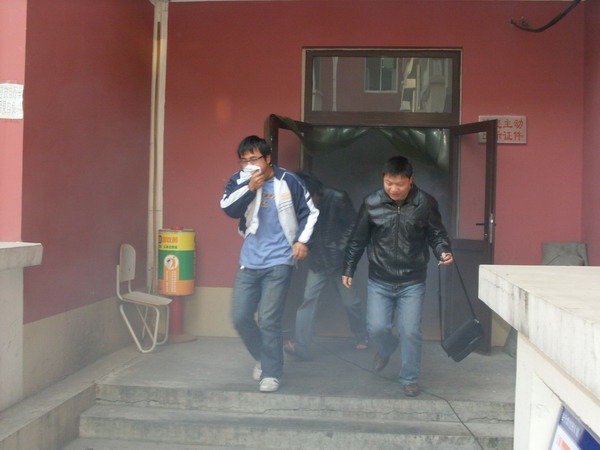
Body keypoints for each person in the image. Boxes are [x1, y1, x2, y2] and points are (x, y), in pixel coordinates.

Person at [342, 156, 453, 397]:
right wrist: (348, 268)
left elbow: (436, 234)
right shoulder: (371, 202)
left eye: (399, 184)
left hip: (412, 281)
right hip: (379, 279)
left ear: (410, 180)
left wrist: (443, 250)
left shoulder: (425, 203)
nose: (393, 189)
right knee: (376, 328)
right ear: (383, 179)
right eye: (388, 183)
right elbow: (357, 239)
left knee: (410, 331)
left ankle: (409, 378)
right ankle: (386, 348)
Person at [220, 135, 319, 393]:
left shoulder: (289, 181)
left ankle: (272, 373)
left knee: (268, 318)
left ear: (268, 158)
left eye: (254, 159)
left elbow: (310, 212)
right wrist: (250, 187)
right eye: (244, 160)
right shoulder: (240, 180)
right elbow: (228, 208)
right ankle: (263, 357)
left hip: (280, 260)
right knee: (240, 317)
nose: (249, 164)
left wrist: (302, 241)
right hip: (249, 260)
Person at [284, 172, 368, 361]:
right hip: (318, 262)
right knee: (308, 301)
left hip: (340, 263)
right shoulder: (300, 205)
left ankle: (361, 334)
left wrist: (339, 250)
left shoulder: (338, 197)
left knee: (351, 302)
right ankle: (301, 347)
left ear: (315, 192)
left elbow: (354, 227)